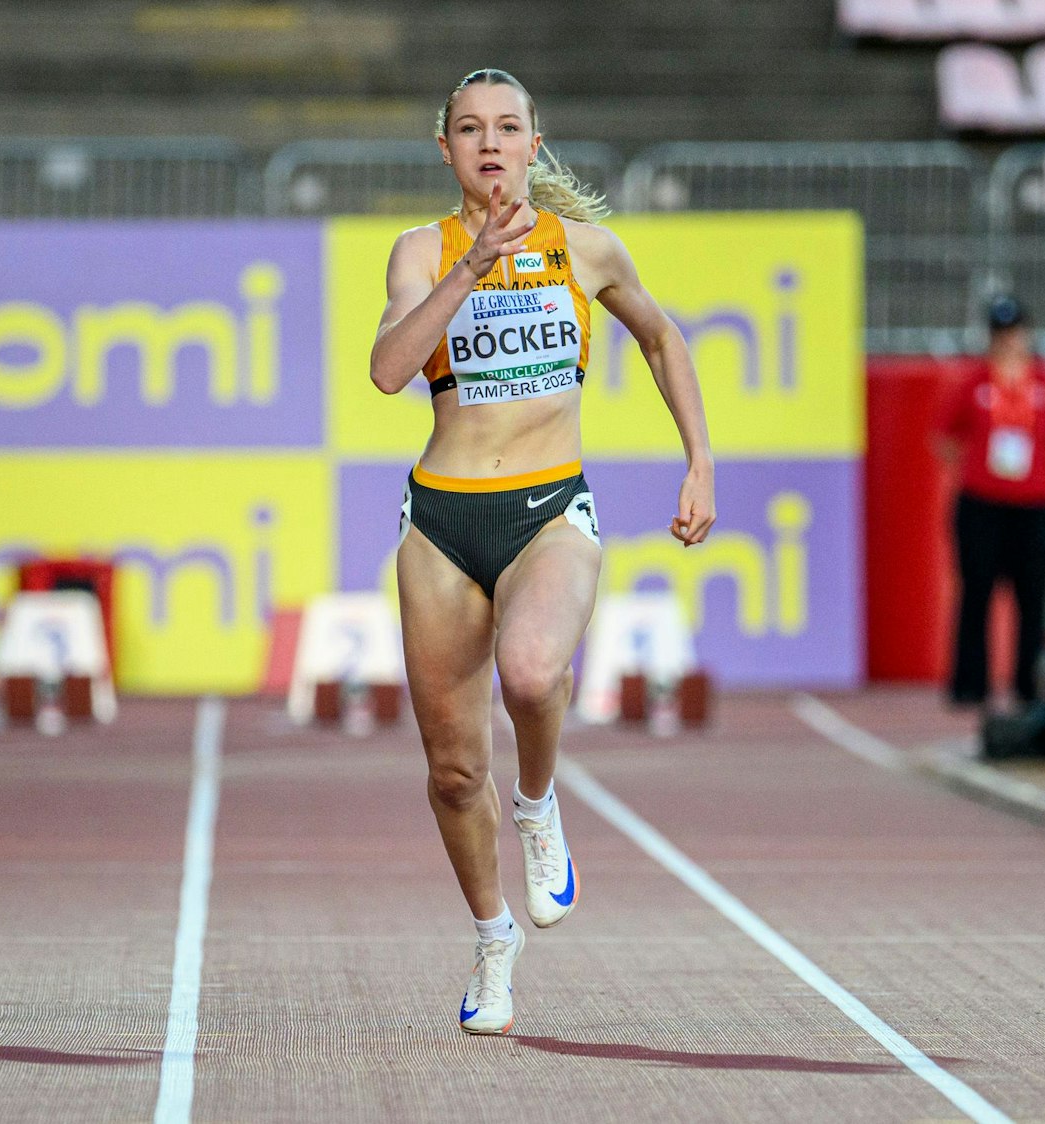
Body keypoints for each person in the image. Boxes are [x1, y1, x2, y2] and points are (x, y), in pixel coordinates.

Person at [368, 68, 714, 1035]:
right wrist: (470, 267)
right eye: (469, 129)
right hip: (442, 523)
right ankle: (493, 941)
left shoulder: (586, 249)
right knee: (450, 773)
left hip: (549, 509)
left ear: (533, 142)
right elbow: (389, 371)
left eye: (506, 127)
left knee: (529, 673)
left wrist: (700, 461)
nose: (489, 143)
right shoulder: (420, 251)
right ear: (446, 149)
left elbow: (662, 339)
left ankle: (537, 804)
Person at [939, 296, 1045, 711]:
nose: (1008, 341)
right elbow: (944, 436)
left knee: (1032, 598)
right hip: (981, 505)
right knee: (975, 593)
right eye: (1001, 334)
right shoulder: (974, 382)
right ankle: (970, 685)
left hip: (1035, 506)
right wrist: (978, 470)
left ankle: (1028, 684)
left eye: (1015, 333)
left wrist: (1036, 474)